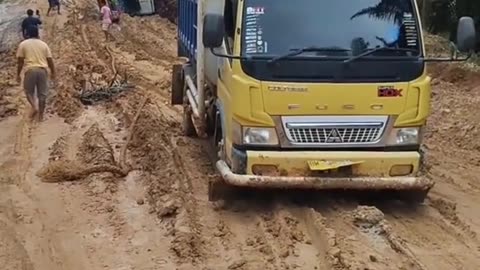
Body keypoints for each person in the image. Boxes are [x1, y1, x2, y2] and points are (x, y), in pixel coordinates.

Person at [16, 26, 56, 122]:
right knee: (42, 95)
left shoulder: (23, 44)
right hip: (42, 71)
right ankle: (41, 116)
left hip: (30, 70)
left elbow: (20, 61)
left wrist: (18, 74)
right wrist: (53, 71)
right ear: (37, 33)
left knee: (28, 91)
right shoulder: (44, 44)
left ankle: (34, 107)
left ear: (27, 33)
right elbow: (49, 60)